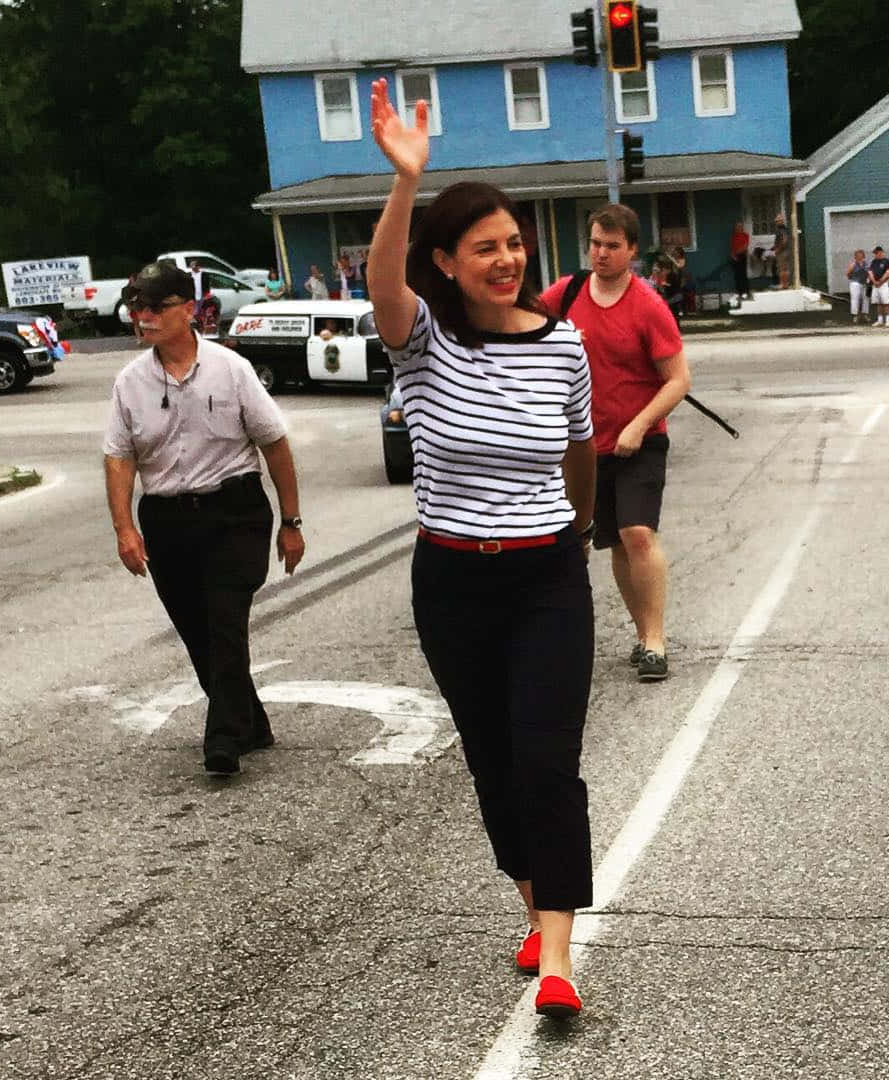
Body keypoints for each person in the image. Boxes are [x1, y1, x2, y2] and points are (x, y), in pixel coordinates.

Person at [367, 77, 598, 1020]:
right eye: (484, 249)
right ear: (448, 263)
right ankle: (533, 905)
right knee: (494, 763)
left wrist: (577, 534)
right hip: (452, 580)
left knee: (548, 761)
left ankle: (558, 959)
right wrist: (405, 184)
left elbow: (580, 448)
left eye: (513, 244)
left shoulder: (565, 344)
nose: (506, 260)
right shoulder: (421, 342)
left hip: (547, 571)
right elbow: (383, 281)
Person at [102, 261, 305, 777]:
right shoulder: (129, 383)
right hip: (168, 521)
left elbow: (274, 443)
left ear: (188, 310)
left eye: (155, 307)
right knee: (198, 633)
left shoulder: (229, 369)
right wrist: (125, 528)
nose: (143, 317)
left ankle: (223, 741)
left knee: (225, 622)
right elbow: (119, 457)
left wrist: (291, 522)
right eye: (137, 308)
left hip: (234, 514)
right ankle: (250, 721)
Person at [541, 202, 690, 684]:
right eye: (594, 244)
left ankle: (655, 642)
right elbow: (521, 327)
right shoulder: (567, 294)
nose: (600, 254)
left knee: (637, 534)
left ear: (631, 250)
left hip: (639, 442)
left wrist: (639, 425)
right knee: (610, 545)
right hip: (583, 445)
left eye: (612, 246)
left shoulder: (648, 305)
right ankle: (640, 631)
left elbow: (677, 380)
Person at [868, 246, 889, 326]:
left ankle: (888, 320)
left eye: (877, 253)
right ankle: (880, 320)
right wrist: (874, 281)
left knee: (886, 302)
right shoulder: (874, 262)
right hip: (875, 284)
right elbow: (870, 272)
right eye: (875, 253)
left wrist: (881, 281)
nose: (875, 255)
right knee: (878, 303)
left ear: (881, 252)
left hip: (884, 284)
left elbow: (888, 272)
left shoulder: (886, 261)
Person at [845, 249, 869, 325]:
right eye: (858, 255)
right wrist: (852, 279)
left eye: (861, 255)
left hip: (865, 283)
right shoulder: (853, 264)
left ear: (863, 256)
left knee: (866, 298)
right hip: (855, 283)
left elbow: (870, 272)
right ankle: (855, 315)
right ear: (855, 257)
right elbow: (848, 273)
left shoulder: (867, 264)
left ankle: (865, 314)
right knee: (855, 299)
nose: (860, 256)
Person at [729, 222, 750, 302]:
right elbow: (732, 247)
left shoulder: (745, 235)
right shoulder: (734, 236)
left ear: (742, 227)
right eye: (737, 227)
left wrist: (736, 253)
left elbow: (745, 246)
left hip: (742, 256)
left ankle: (745, 292)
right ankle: (739, 292)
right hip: (735, 257)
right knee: (737, 275)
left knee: (743, 274)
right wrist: (733, 255)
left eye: (740, 226)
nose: (738, 228)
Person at [772, 212, 792, 289]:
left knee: (782, 269)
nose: (776, 222)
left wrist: (778, 250)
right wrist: (773, 247)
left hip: (782, 252)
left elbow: (784, 240)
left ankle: (783, 285)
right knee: (784, 268)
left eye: (778, 221)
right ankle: (785, 285)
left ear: (781, 221)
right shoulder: (784, 229)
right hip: (785, 251)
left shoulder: (781, 229)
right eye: (776, 221)